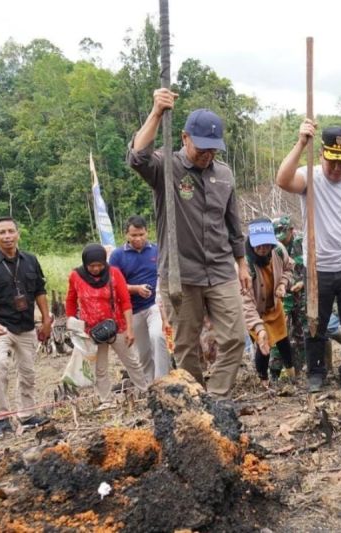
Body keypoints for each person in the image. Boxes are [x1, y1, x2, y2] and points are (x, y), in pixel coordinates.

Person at [127, 90, 249, 399]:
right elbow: (137, 157)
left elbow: (233, 224)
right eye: (202, 148)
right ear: (184, 138)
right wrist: (156, 111)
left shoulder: (224, 174)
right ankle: (198, 398)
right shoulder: (166, 168)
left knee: (235, 336)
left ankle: (217, 396)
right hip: (181, 273)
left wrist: (242, 263)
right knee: (185, 345)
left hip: (221, 269)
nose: (208, 155)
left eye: (214, 149)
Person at [276, 121, 341, 392]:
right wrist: (301, 143)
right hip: (317, 269)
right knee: (315, 324)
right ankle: (316, 373)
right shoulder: (309, 176)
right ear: (321, 153)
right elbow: (282, 180)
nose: (336, 168)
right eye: (331, 161)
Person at [0, 216, 51, 438]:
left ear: (18, 234)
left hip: (26, 326)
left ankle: (27, 415)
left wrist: (46, 320)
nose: (7, 236)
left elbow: (40, 290)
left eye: (11, 231)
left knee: (27, 371)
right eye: (2, 233)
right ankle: (0, 418)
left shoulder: (30, 260)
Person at [66, 244, 151, 407]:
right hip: (92, 330)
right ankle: (106, 399)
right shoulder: (76, 276)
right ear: (85, 264)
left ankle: (145, 391)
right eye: (92, 266)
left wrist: (130, 329)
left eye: (99, 265)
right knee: (100, 367)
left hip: (116, 325)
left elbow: (125, 302)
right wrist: (71, 322)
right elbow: (70, 299)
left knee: (131, 361)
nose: (96, 269)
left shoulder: (114, 273)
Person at [109, 215, 170, 380]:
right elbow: (113, 285)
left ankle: (162, 381)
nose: (138, 238)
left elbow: (165, 276)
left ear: (147, 232)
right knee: (142, 353)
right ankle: (149, 386)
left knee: (158, 337)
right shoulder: (117, 256)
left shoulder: (157, 250)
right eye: (134, 235)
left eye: (141, 234)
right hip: (133, 310)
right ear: (126, 235)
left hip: (155, 305)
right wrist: (135, 289)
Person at [241, 219, 296, 386]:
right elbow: (246, 304)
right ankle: (263, 381)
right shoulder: (245, 265)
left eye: (266, 244)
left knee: (283, 340)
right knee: (263, 344)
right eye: (259, 244)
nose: (263, 248)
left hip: (273, 305)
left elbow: (289, 268)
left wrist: (282, 284)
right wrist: (258, 327)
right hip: (255, 312)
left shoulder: (278, 250)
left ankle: (291, 374)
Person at [273, 215, 307, 371]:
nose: (280, 238)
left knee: (304, 332)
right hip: (282, 296)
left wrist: (304, 282)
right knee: (279, 333)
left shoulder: (303, 242)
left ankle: (305, 367)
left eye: (282, 233)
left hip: (303, 296)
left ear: (291, 230)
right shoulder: (274, 247)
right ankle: (275, 370)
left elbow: (314, 265)